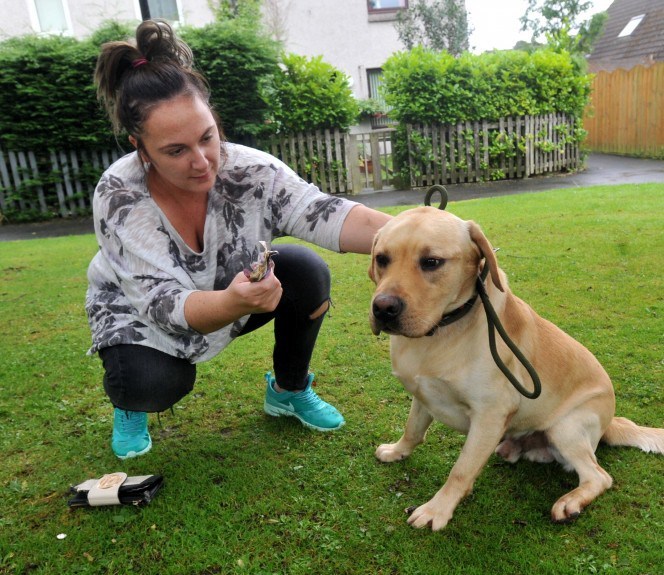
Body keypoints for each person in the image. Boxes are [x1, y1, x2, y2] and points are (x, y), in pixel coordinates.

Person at [86, 19, 391, 459]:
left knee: (305, 272)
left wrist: (422, 235)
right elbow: (164, 305)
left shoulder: (250, 169)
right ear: (140, 147)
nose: (202, 161)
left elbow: (322, 212)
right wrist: (234, 303)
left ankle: (288, 390)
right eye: (176, 150)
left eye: (207, 137)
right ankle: (130, 403)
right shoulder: (118, 195)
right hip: (140, 314)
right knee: (156, 384)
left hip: (227, 290)